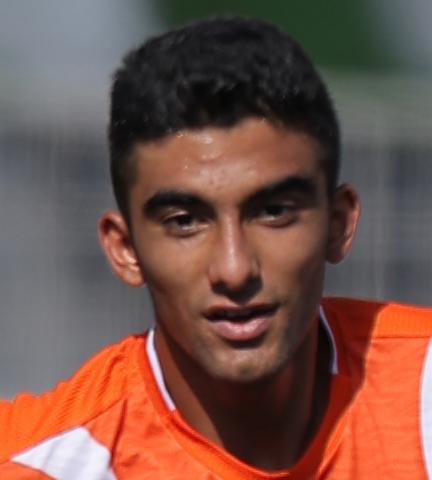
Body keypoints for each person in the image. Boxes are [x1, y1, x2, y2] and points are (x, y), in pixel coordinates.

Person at [1, 15, 431, 480]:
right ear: (124, 249)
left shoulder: (422, 395)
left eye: (273, 212)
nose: (234, 268)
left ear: (338, 223)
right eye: (185, 222)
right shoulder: (41, 465)